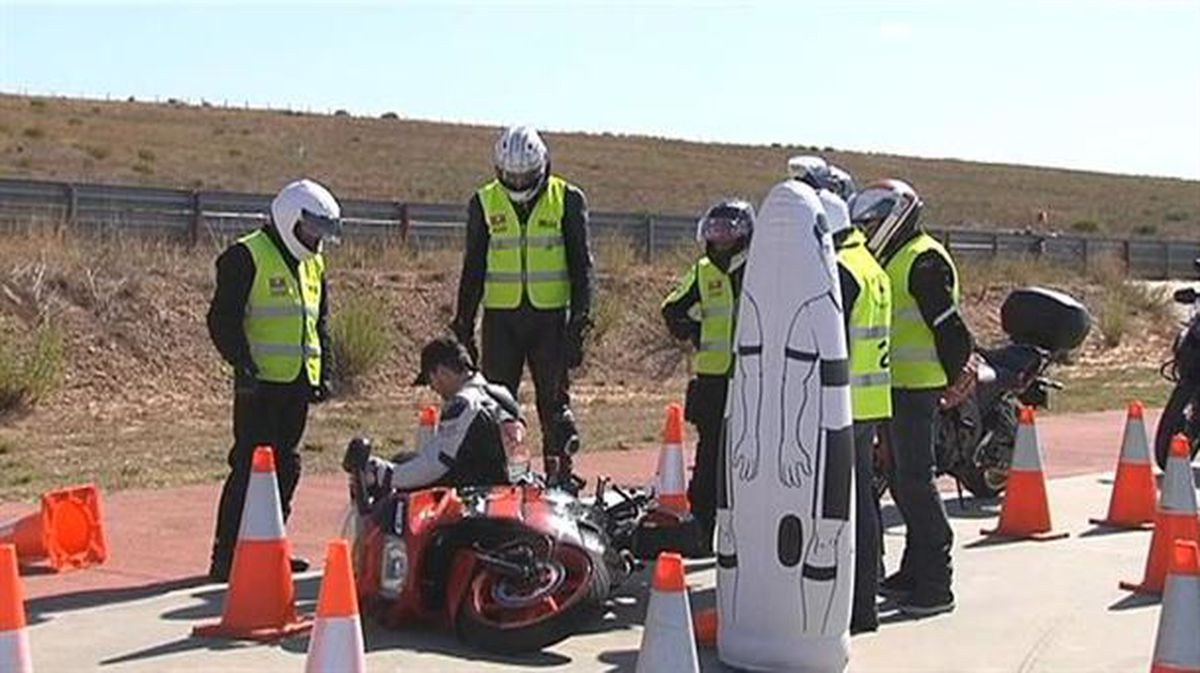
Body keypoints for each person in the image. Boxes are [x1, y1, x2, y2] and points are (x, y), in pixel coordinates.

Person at [206, 178, 343, 582]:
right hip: (259, 385)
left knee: (288, 466)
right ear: (290, 219)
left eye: (323, 232)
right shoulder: (245, 256)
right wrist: (242, 363)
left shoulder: (313, 262)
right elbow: (222, 318)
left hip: (296, 383)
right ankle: (226, 555)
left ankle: (271, 547)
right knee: (249, 467)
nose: (317, 239)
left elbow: (320, 320)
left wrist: (325, 371)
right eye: (312, 228)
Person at [848, 179, 975, 617]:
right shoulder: (894, 258)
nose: (869, 229)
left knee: (917, 482)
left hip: (918, 389)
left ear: (899, 217)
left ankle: (937, 582)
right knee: (900, 479)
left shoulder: (923, 261)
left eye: (875, 221)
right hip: (893, 387)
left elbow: (951, 329)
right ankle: (913, 569)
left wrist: (954, 378)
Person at [450, 125, 593, 489]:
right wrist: (463, 323)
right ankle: (502, 479)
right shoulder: (483, 202)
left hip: (549, 320)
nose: (517, 183)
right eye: (510, 176)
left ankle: (559, 477)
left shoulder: (567, 198)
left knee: (554, 405)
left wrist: (579, 322)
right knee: (497, 406)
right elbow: (474, 266)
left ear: (542, 165)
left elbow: (582, 267)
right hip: (501, 320)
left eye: (525, 175)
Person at [788, 156, 891, 633]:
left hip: (840, 405)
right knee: (861, 505)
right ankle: (863, 601)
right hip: (868, 402)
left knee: (840, 509)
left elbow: (823, 341)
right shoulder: (869, 264)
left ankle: (851, 605)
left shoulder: (840, 272)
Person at [661, 199, 756, 555]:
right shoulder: (702, 270)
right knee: (710, 458)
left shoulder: (761, 267)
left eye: (729, 232)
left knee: (750, 459)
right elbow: (672, 308)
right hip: (713, 380)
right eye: (715, 232)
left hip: (753, 379)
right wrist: (694, 331)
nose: (720, 239)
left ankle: (748, 535)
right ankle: (702, 530)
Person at [342, 336, 523, 492]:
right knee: (406, 460)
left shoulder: (462, 403)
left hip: (475, 492)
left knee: (396, 470)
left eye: (430, 381)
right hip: (508, 486)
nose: (433, 389)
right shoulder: (502, 394)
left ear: (442, 372)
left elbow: (435, 466)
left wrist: (383, 474)